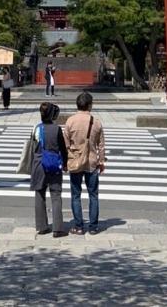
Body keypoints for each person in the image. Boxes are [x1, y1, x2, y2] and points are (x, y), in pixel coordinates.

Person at [63, 91, 106, 235]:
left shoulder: (70, 121)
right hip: (92, 162)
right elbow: (101, 145)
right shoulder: (96, 122)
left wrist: (66, 160)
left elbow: (66, 144)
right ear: (90, 105)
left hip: (75, 162)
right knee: (93, 195)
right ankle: (93, 227)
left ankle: (79, 226)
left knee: (76, 195)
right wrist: (101, 161)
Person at [29, 102, 68, 238]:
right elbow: (63, 149)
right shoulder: (57, 129)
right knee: (56, 195)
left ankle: (42, 226)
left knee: (39, 194)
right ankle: (58, 228)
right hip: (53, 164)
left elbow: (31, 148)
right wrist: (65, 164)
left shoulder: (36, 128)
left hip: (39, 164)